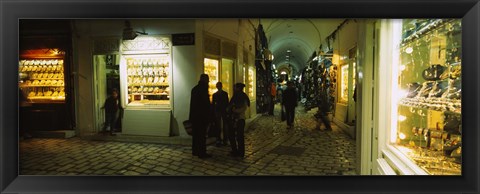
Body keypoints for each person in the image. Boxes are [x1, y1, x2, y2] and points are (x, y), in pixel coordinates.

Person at [189, 74, 212, 158]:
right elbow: (205, 104)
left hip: (195, 116)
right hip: (202, 117)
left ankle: (195, 151)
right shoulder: (203, 90)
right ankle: (202, 153)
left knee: (195, 135)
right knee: (202, 136)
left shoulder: (194, 89)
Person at [227, 83, 250, 158]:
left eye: (235, 87)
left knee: (240, 136)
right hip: (233, 119)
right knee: (232, 135)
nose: (234, 88)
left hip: (240, 119)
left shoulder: (243, 96)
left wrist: (235, 110)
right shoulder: (235, 96)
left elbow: (244, 108)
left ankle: (241, 152)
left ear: (239, 88)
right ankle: (235, 151)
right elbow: (230, 105)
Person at [212, 82, 229, 146]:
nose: (218, 87)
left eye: (219, 86)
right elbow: (213, 104)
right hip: (218, 111)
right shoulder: (215, 95)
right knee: (218, 126)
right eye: (218, 86)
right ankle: (219, 139)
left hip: (223, 110)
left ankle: (224, 139)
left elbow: (227, 102)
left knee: (224, 126)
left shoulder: (224, 94)